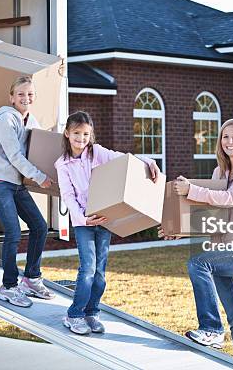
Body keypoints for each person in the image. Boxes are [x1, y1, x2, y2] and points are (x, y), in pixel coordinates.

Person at [160, 118, 233, 365]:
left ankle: (211, 328)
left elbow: (230, 198)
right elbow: (212, 211)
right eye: (225, 137)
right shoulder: (220, 172)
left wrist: (190, 190)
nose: (230, 141)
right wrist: (180, 230)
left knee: (198, 264)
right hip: (222, 249)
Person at [55, 111, 160, 335]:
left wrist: (148, 161)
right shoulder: (62, 164)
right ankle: (74, 314)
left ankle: (92, 312)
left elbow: (122, 158)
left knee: (100, 273)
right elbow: (68, 197)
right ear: (67, 133)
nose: (81, 139)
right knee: (88, 270)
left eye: (85, 134)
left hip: (104, 218)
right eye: (76, 133)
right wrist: (83, 219)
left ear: (90, 134)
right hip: (83, 222)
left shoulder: (96, 152)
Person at [0, 76, 56, 307]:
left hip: (16, 183)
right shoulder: (5, 119)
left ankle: (31, 279)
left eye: (30, 94)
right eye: (22, 94)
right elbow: (15, 156)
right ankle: (8, 286)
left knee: (39, 227)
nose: (26, 98)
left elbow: (40, 147)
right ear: (12, 97)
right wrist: (40, 177)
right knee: (13, 233)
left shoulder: (30, 119)